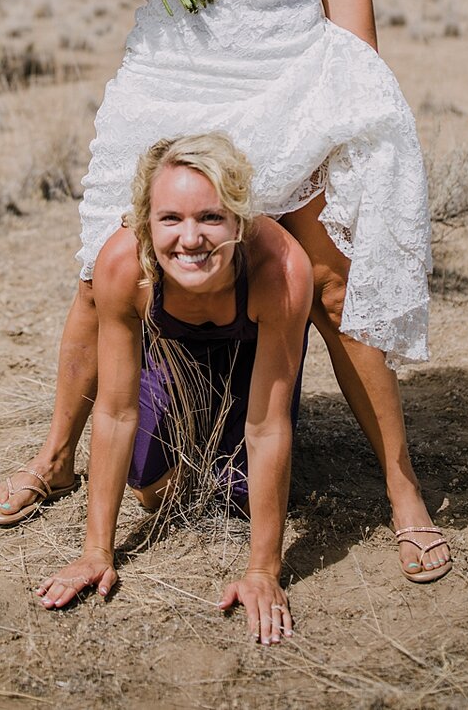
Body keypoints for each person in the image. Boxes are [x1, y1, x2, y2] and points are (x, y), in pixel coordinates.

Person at [0, 0, 451, 584]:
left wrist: (359, 89)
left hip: (289, 68)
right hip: (173, 72)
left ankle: (403, 491)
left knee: (324, 281)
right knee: (103, 277)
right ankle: (55, 460)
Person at [35, 133, 311, 645]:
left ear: (239, 219)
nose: (190, 239)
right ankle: (196, 426)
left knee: (240, 496)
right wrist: (98, 551)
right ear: (144, 223)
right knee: (148, 489)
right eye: (170, 219)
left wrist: (263, 572)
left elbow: (268, 427)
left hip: (250, 367)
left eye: (210, 217)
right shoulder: (122, 264)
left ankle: (217, 436)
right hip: (172, 361)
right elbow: (116, 413)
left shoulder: (283, 270)